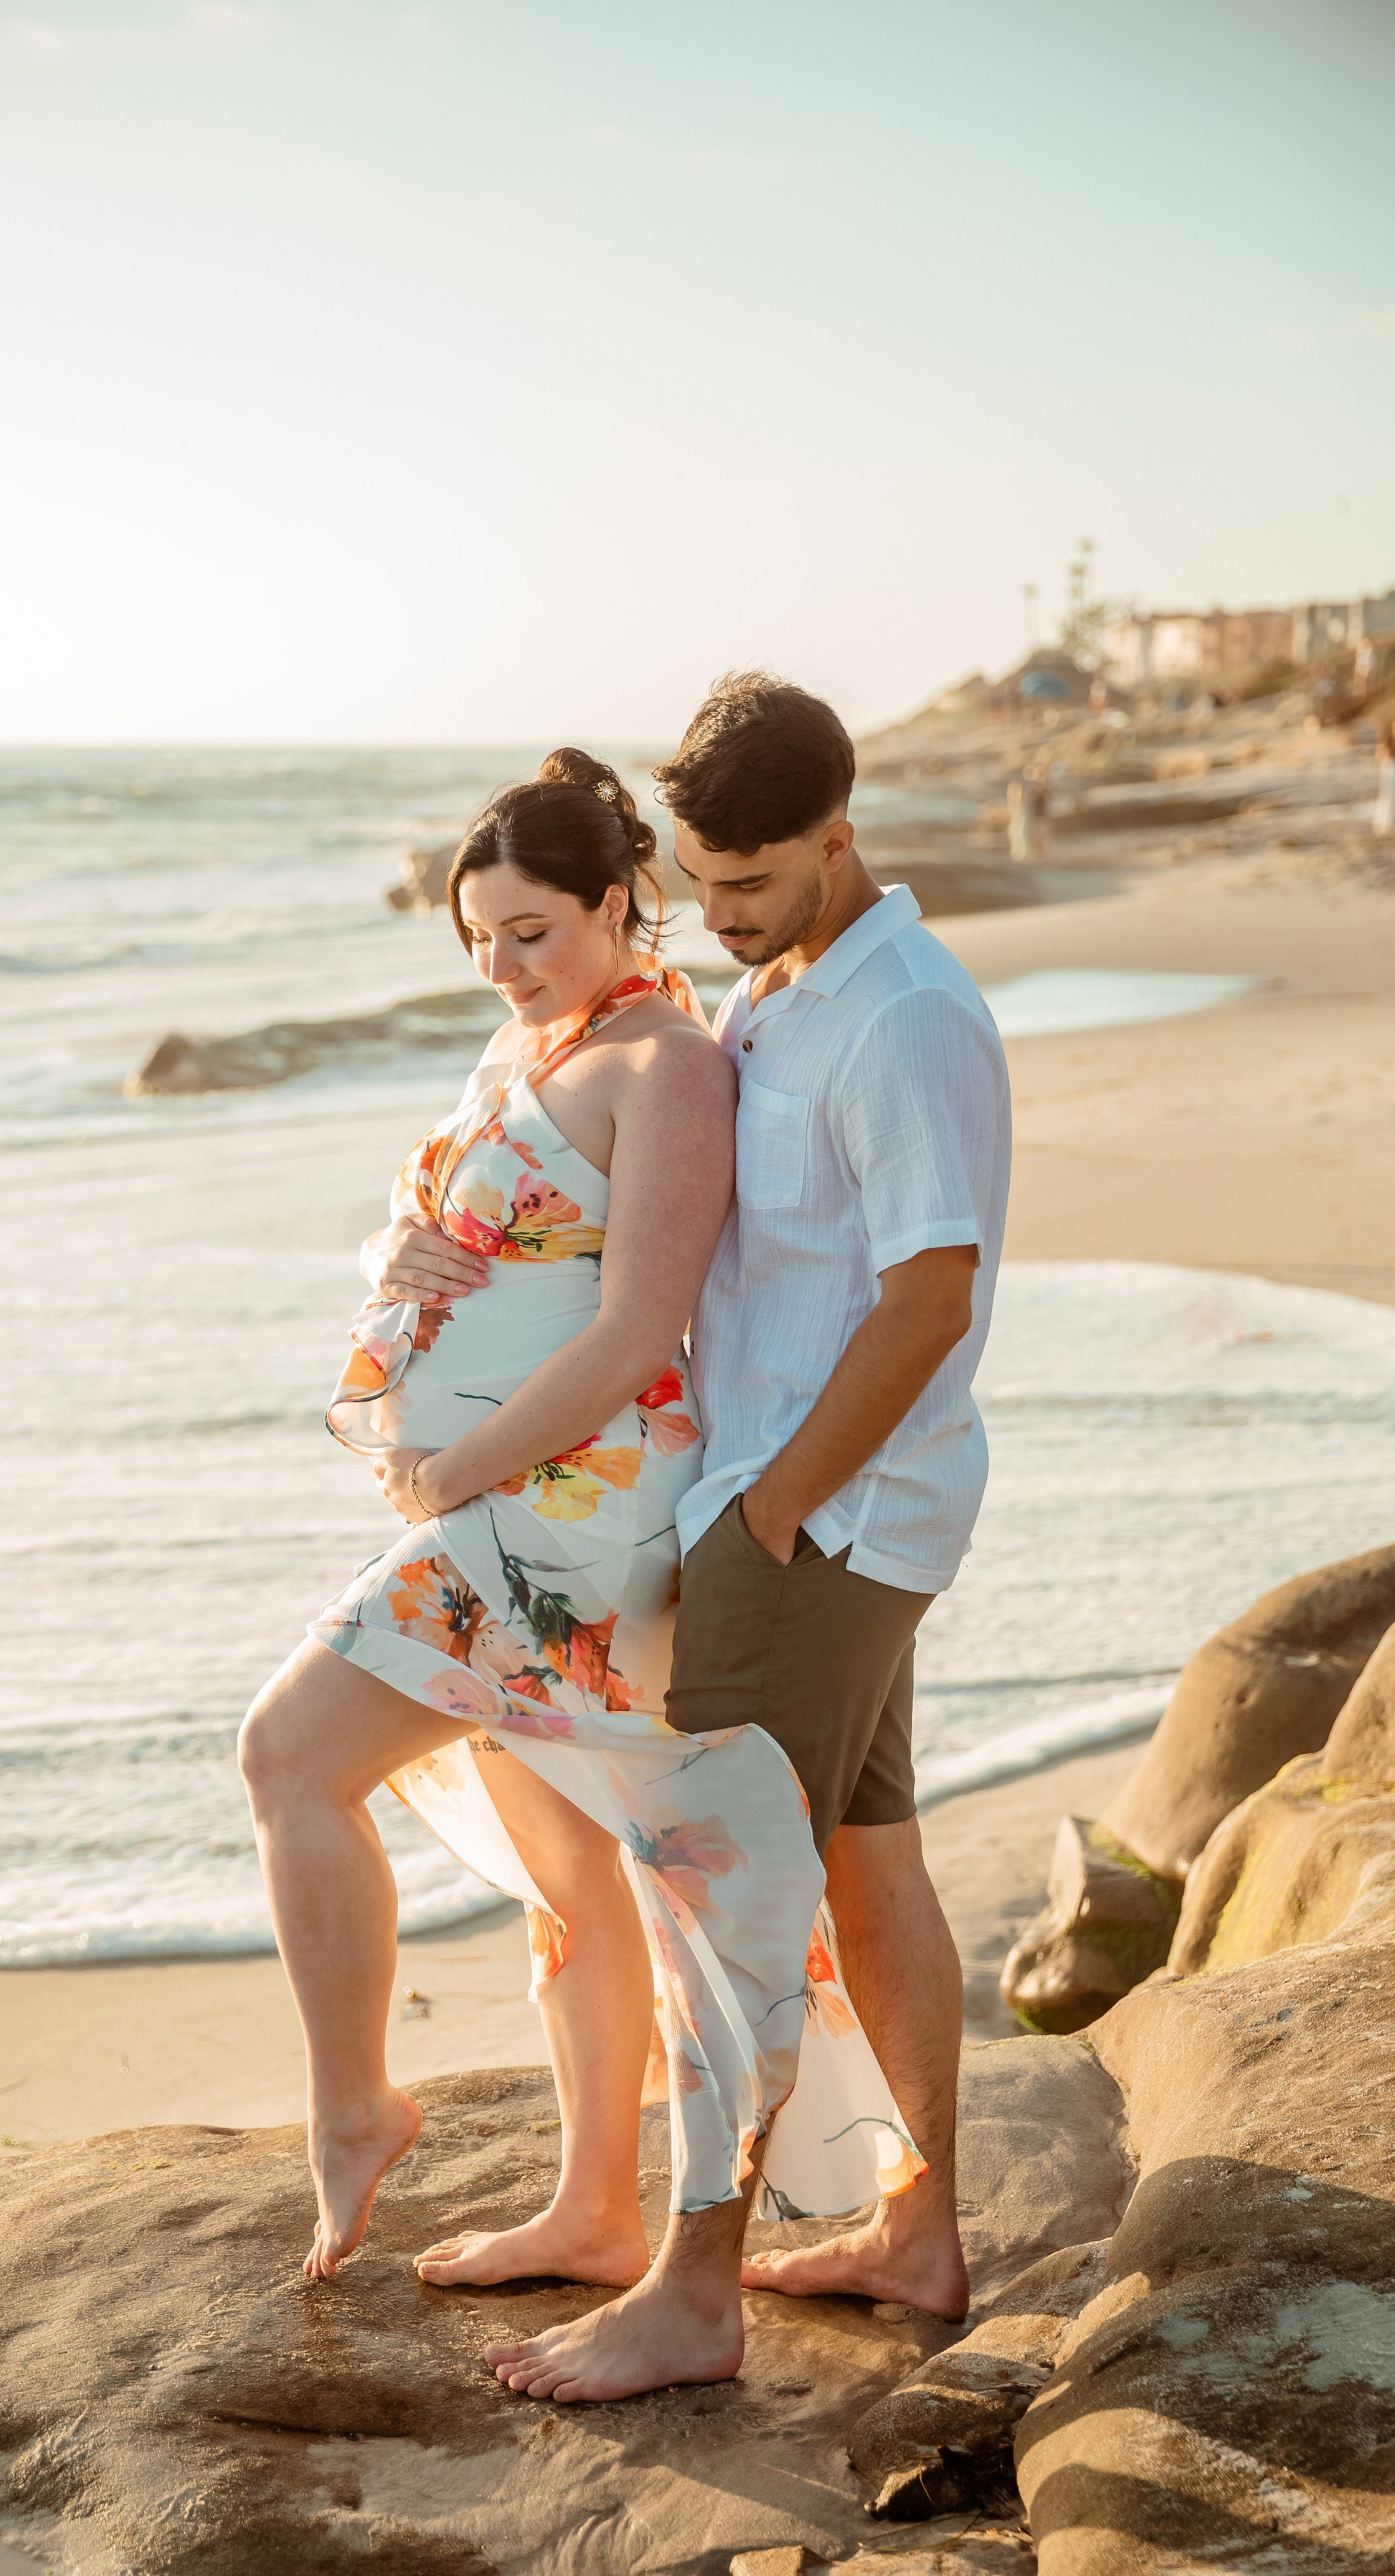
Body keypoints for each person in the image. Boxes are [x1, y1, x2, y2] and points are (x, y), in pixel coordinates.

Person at [238, 750, 925, 2301]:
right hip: (506, 1493)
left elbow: (635, 1331)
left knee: (286, 1753)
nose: (502, 963)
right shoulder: (524, 1047)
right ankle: (591, 2212)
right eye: (476, 937)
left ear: (621, 905)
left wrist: (452, 1468)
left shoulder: (662, 1067)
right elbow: (494, 1231)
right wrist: (400, 1252)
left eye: (532, 930)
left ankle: (352, 2105)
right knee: (570, 1881)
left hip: (571, 1506)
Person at [483, 676, 1011, 2403]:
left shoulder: (903, 1018)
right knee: (868, 1856)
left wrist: (775, 1503)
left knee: (721, 1894)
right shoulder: (788, 987)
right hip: (808, 1505)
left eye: (753, 883)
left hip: (822, 1518)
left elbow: (929, 1295)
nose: (716, 915)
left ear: (839, 830)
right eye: (699, 885)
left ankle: (689, 2289)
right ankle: (915, 2229)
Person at [1373, 717, 1394, 839]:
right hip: (1389, 771)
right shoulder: (1387, 742)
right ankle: (1387, 822)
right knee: (1387, 796)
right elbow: (1379, 757)